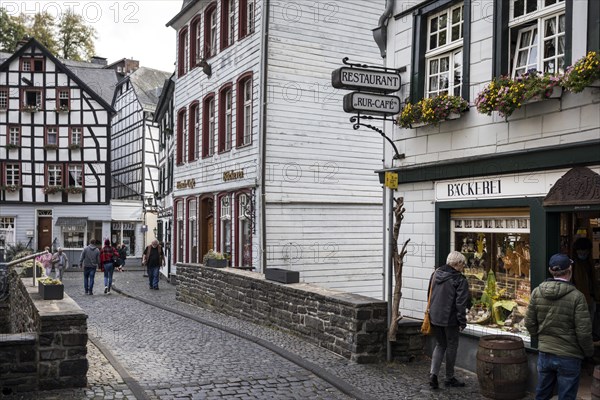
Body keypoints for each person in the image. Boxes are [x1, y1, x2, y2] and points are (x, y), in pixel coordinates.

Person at [524, 253, 593, 400]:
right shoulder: (577, 296)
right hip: (570, 355)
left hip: (545, 353)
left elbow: (529, 322)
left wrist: (540, 338)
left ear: (550, 271)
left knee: (542, 394)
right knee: (566, 396)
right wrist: (588, 353)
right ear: (570, 270)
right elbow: (584, 332)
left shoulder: (537, 292)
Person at [428, 251, 470, 389]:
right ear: (457, 264)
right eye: (463, 264)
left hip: (434, 316)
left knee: (440, 345)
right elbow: (460, 304)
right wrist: (462, 321)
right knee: (452, 346)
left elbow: (429, 294)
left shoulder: (435, 274)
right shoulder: (460, 279)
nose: (464, 267)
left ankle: (433, 375)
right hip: (450, 319)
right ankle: (449, 377)